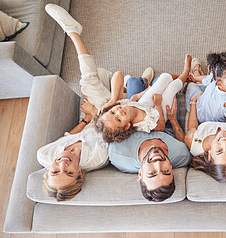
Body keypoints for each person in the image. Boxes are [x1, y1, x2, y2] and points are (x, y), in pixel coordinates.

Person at [39, 3, 149, 201]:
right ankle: (73, 32)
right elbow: (110, 129)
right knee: (89, 80)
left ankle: (132, 85)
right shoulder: (96, 159)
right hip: (105, 117)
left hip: (94, 117)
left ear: (47, 171)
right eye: (69, 172)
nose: (63, 164)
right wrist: (94, 114)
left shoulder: (44, 155)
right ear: (80, 173)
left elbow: (64, 138)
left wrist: (85, 120)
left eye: (55, 171)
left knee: (98, 77)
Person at [93, 54, 192, 143]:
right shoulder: (143, 125)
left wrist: (113, 100)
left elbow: (118, 75)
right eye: (119, 119)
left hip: (144, 105)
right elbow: (161, 127)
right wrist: (158, 105)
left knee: (165, 77)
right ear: (127, 126)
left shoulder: (118, 104)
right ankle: (186, 72)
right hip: (158, 114)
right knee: (173, 86)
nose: (119, 112)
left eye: (112, 112)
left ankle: (184, 78)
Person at [108, 96, 191, 202]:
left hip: (134, 119)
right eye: (165, 171)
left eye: (152, 173)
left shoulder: (118, 153)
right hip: (166, 124)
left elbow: (112, 124)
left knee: (134, 83)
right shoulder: (182, 156)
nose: (158, 163)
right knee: (165, 84)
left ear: (140, 174)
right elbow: (183, 143)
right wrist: (173, 120)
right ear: (171, 169)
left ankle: (142, 82)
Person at [184, 94, 226, 183]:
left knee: (193, 87)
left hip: (202, 111)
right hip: (223, 111)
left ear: (210, 155)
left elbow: (192, 126)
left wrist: (193, 102)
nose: (224, 142)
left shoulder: (194, 142)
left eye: (219, 151)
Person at [185, 52, 226, 129]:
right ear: (219, 84)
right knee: (195, 84)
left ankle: (196, 73)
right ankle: (196, 75)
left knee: (191, 85)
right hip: (202, 105)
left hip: (201, 110)